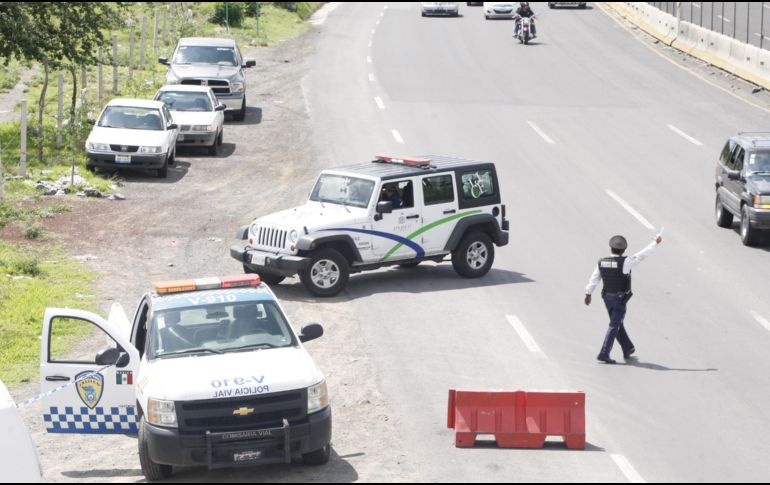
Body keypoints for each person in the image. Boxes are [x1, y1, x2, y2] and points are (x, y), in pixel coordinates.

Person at [584, 233, 663, 364]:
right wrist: (655, 242)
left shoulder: (602, 262)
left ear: (610, 248)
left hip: (607, 298)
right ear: (624, 251)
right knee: (614, 324)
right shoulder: (626, 262)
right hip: (619, 299)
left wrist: (588, 294)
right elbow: (642, 254)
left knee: (617, 323)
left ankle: (627, 348)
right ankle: (604, 353)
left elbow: (594, 279)